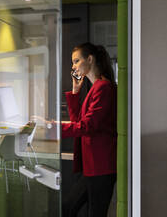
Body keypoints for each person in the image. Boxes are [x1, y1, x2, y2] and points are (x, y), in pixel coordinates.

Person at [54, 42, 117, 217]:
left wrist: (54, 127)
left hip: (101, 167)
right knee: (68, 207)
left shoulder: (104, 88)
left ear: (90, 59)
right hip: (92, 167)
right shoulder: (95, 88)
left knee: (94, 213)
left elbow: (86, 126)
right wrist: (75, 91)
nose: (73, 66)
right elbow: (79, 122)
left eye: (76, 61)